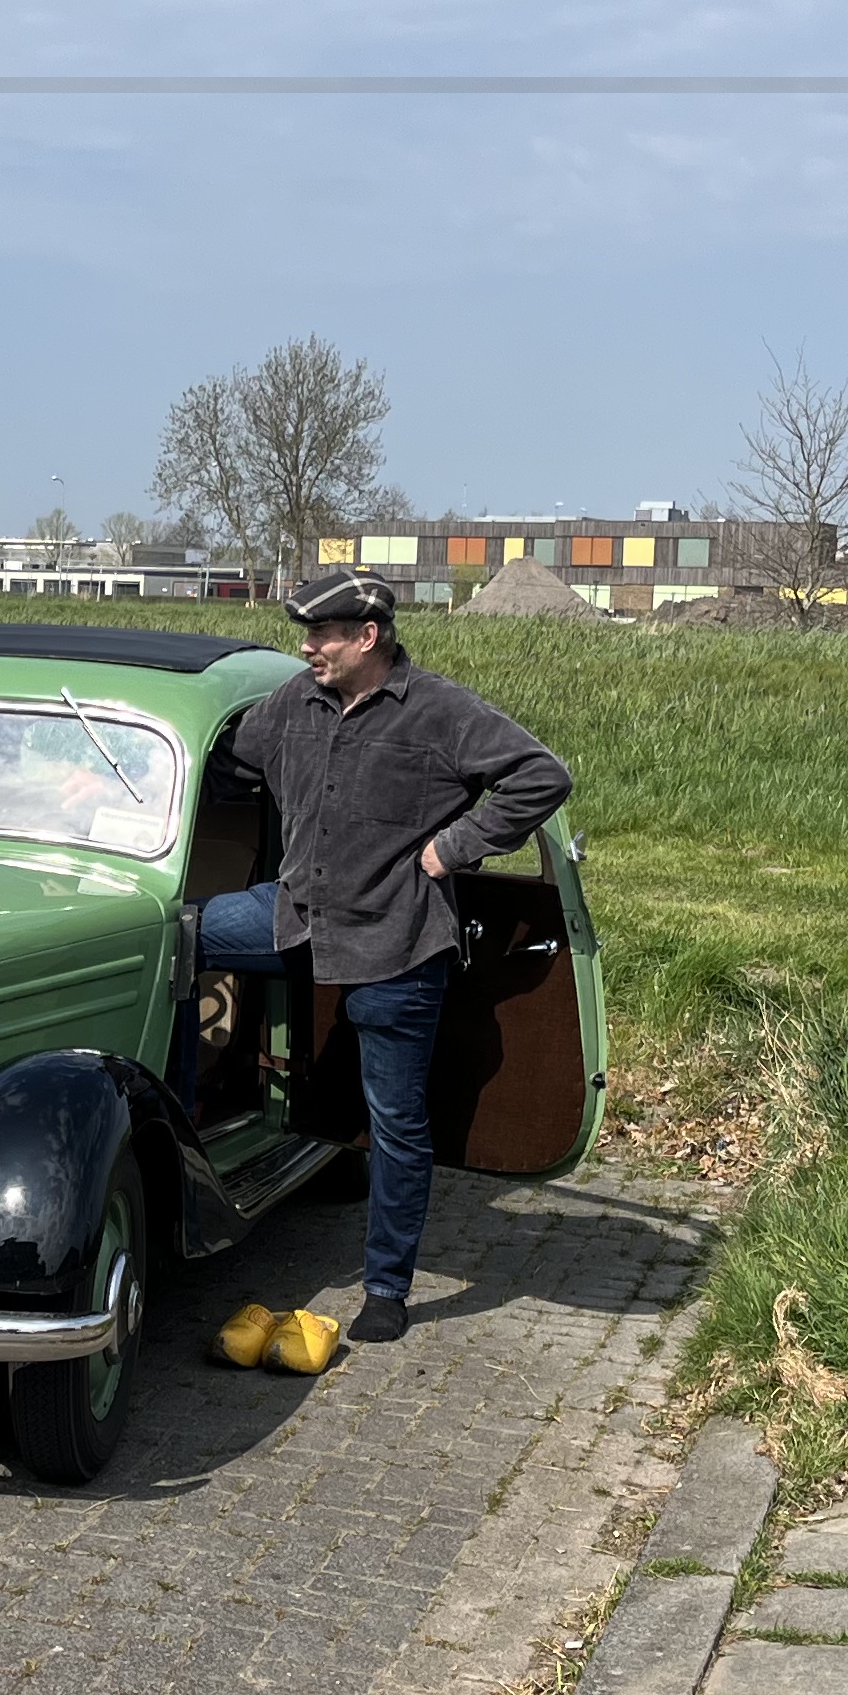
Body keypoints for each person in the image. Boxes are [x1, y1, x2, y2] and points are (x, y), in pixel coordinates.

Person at [195, 570, 572, 1344]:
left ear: (368, 637)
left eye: (322, 634)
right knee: (172, 936)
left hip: (395, 942)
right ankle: (176, 1138)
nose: (308, 648)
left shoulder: (441, 710)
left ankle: (387, 1290)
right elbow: (227, 762)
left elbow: (541, 777)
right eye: (306, 634)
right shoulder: (294, 702)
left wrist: (452, 849)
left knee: (396, 1122)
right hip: (291, 917)